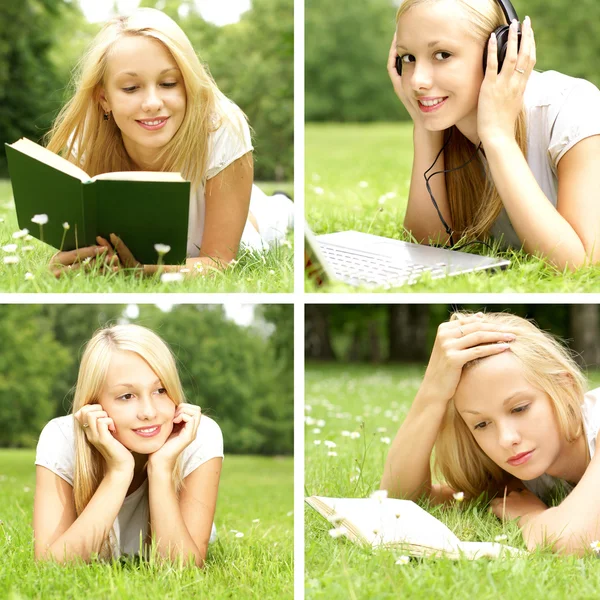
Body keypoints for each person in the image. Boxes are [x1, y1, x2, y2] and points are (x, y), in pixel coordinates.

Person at [44, 8, 293, 276]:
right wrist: (69, 261)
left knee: (273, 216)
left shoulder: (221, 126)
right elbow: (81, 247)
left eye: (168, 83)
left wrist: (141, 271)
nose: (152, 103)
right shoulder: (86, 139)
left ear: (186, 84)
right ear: (104, 99)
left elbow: (220, 262)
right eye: (131, 88)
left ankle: (283, 203)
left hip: (238, 216)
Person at [388, 0, 600, 270]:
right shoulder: (450, 122)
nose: (418, 80)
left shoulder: (572, 106)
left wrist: (498, 137)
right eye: (408, 58)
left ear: (501, 52)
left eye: (442, 55)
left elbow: (577, 267)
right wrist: (424, 126)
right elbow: (428, 248)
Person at [381, 311, 600, 556]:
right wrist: (432, 391)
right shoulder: (523, 474)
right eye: (482, 424)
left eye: (519, 408)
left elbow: (574, 541)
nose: (506, 439)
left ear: (565, 386)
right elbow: (398, 502)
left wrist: (528, 516)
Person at [33, 324, 223, 565]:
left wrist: (161, 469)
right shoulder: (61, 437)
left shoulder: (198, 434)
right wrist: (119, 471)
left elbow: (182, 572)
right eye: (127, 396)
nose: (148, 412)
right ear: (94, 404)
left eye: (160, 390)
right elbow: (50, 567)